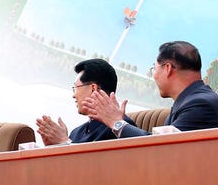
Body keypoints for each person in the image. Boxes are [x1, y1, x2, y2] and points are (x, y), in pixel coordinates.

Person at [84, 41, 218, 137]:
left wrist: (116, 122)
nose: (153, 75)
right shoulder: (192, 101)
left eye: (154, 68)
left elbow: (161, 148)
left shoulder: (201, 104)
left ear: (167, 68)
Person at [36, 59, 136, 146]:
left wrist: (65, 142)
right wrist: (54, 148)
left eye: (76, 88)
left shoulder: (121, 129)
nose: (73, 95)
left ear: (93, 88)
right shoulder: (76, 133)